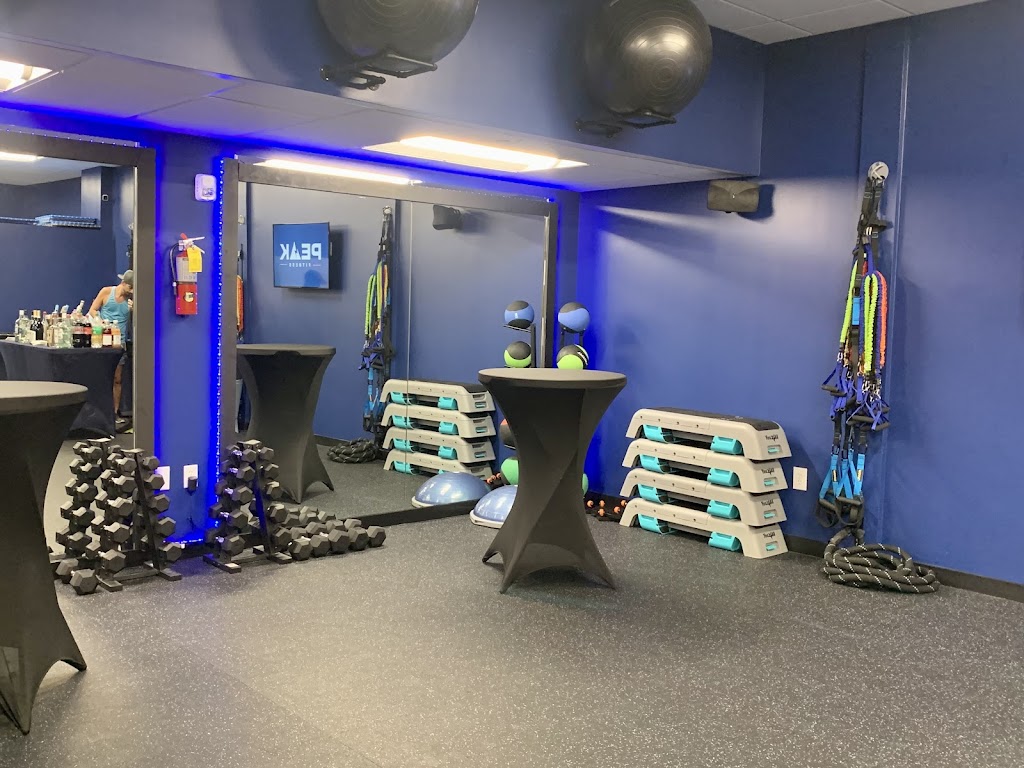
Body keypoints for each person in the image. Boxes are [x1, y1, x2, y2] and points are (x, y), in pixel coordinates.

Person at [89, 270, 133, 432]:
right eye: (131, 288)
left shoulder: (131, 301)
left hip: (118, 344)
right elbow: (93, 310)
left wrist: (134, 310)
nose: (132, 291)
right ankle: (98, 412)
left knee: (117, 379)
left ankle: (114, 413)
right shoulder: (107, 292)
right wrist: (101, 321)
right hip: (101, 341)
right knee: (101, 377)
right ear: (124, 284)